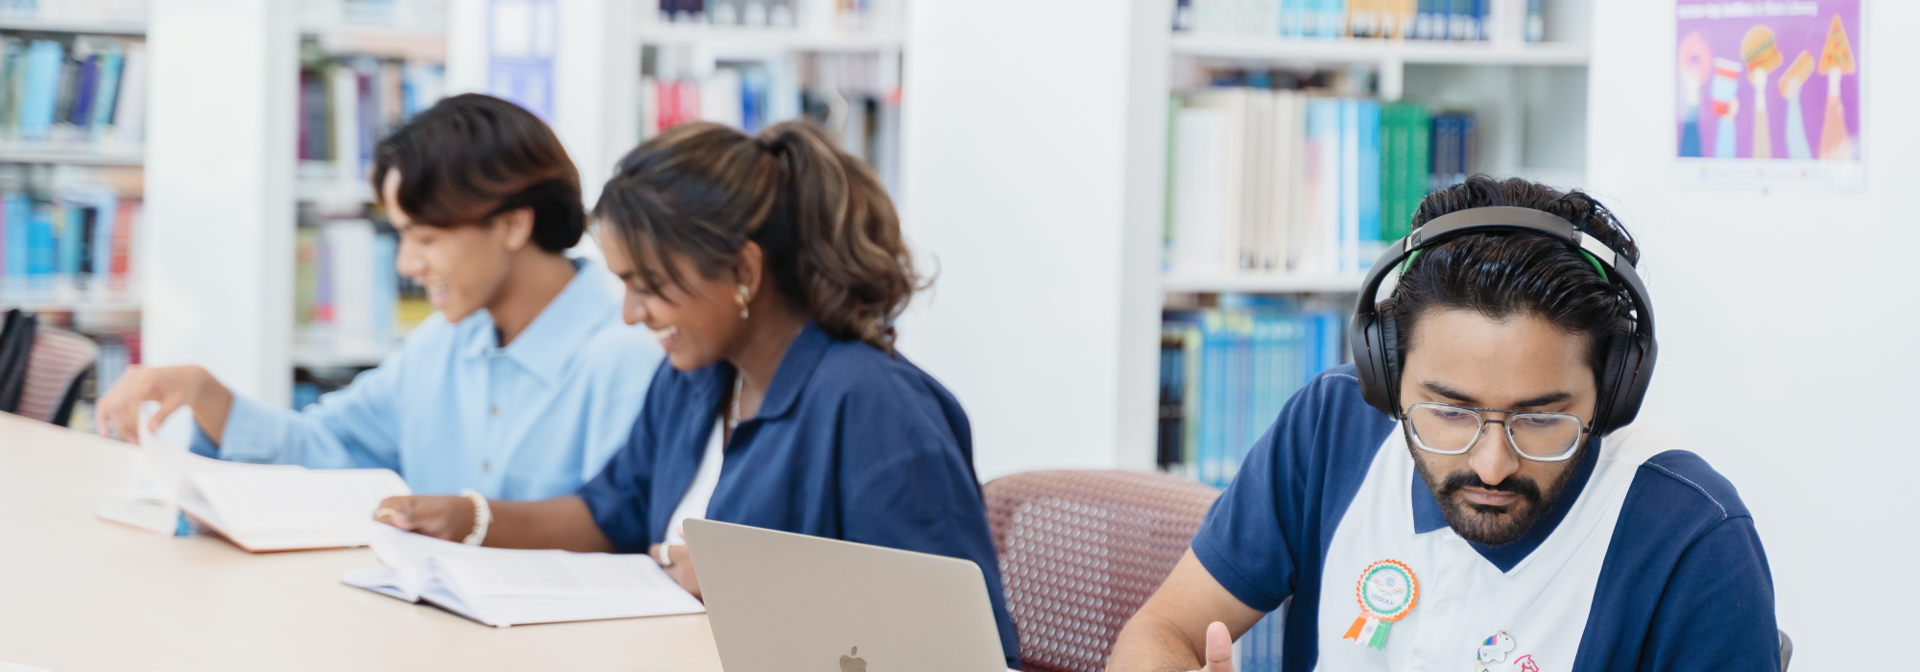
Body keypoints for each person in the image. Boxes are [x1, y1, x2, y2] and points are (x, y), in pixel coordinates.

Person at [374, 120, 1023, 668]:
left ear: (743, 271)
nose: (630, 313)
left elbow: (956, 651)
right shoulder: (697, 377)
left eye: (649, 285)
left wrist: (752, 591)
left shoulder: (877, 409)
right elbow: (614, 510)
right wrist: (473, 519)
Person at [1107, 177, 1778, 672]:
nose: (1490, 465)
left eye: (1540, 417)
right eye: (1450, 412)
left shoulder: (1693, 536)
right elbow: (1163, 628)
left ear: (1613, 391)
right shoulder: (1332, 426)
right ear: (1386, 376)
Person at [95, 94, 661, 501]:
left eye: (426, 237)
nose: (408, 265)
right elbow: (323, 446)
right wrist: (204, 393)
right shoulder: (443, 344)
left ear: (513, 226)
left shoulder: (624, 358)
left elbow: (615, 534)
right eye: (402, 236)